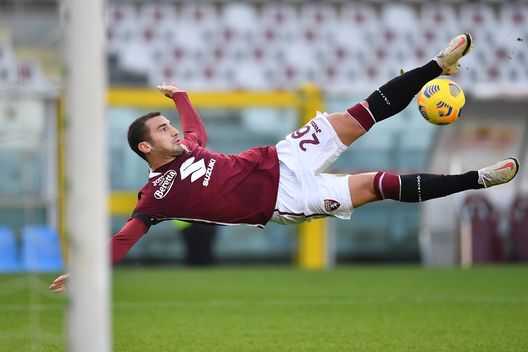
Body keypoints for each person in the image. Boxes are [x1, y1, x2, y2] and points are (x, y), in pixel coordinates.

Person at [50, 33, 519, 292]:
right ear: (144, 149)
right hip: (285, 199)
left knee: (359, 114)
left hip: (281, 156)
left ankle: (437, 65)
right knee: (378, 184)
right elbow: (123, 238)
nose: (172, 130)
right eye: (162, 130)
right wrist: (88, 273)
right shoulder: (154, 198)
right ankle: (477, 178)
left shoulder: (188, 147)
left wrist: (181, 96)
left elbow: (197, 130)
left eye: (168, 125)